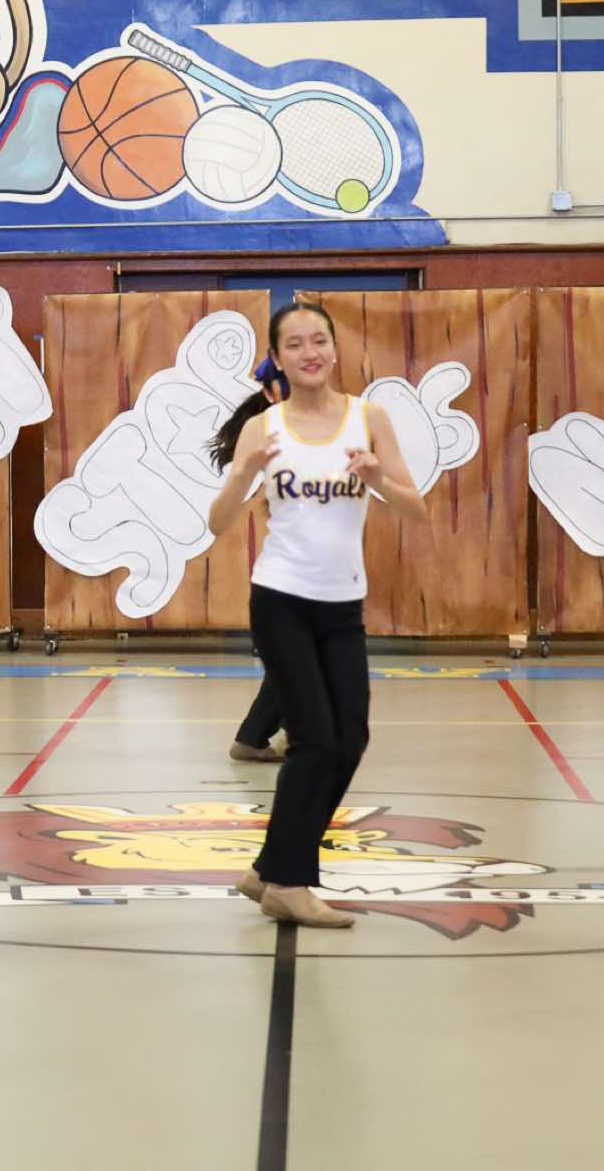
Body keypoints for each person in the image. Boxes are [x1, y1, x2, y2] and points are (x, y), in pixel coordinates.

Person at [205, 301, 425, 928]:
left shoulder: (368, 418)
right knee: (315, 741)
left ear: (335, 347)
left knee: (350, 738)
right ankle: (290, 883)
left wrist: (379, 477)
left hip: (342, 604)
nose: (311, 352)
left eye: (320, 340)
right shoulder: (264, 428)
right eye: (296, 344)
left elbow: (416, 508)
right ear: (279, 357)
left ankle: (271, 865)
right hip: (280, 600)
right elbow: (218, 523)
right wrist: (245, 472)